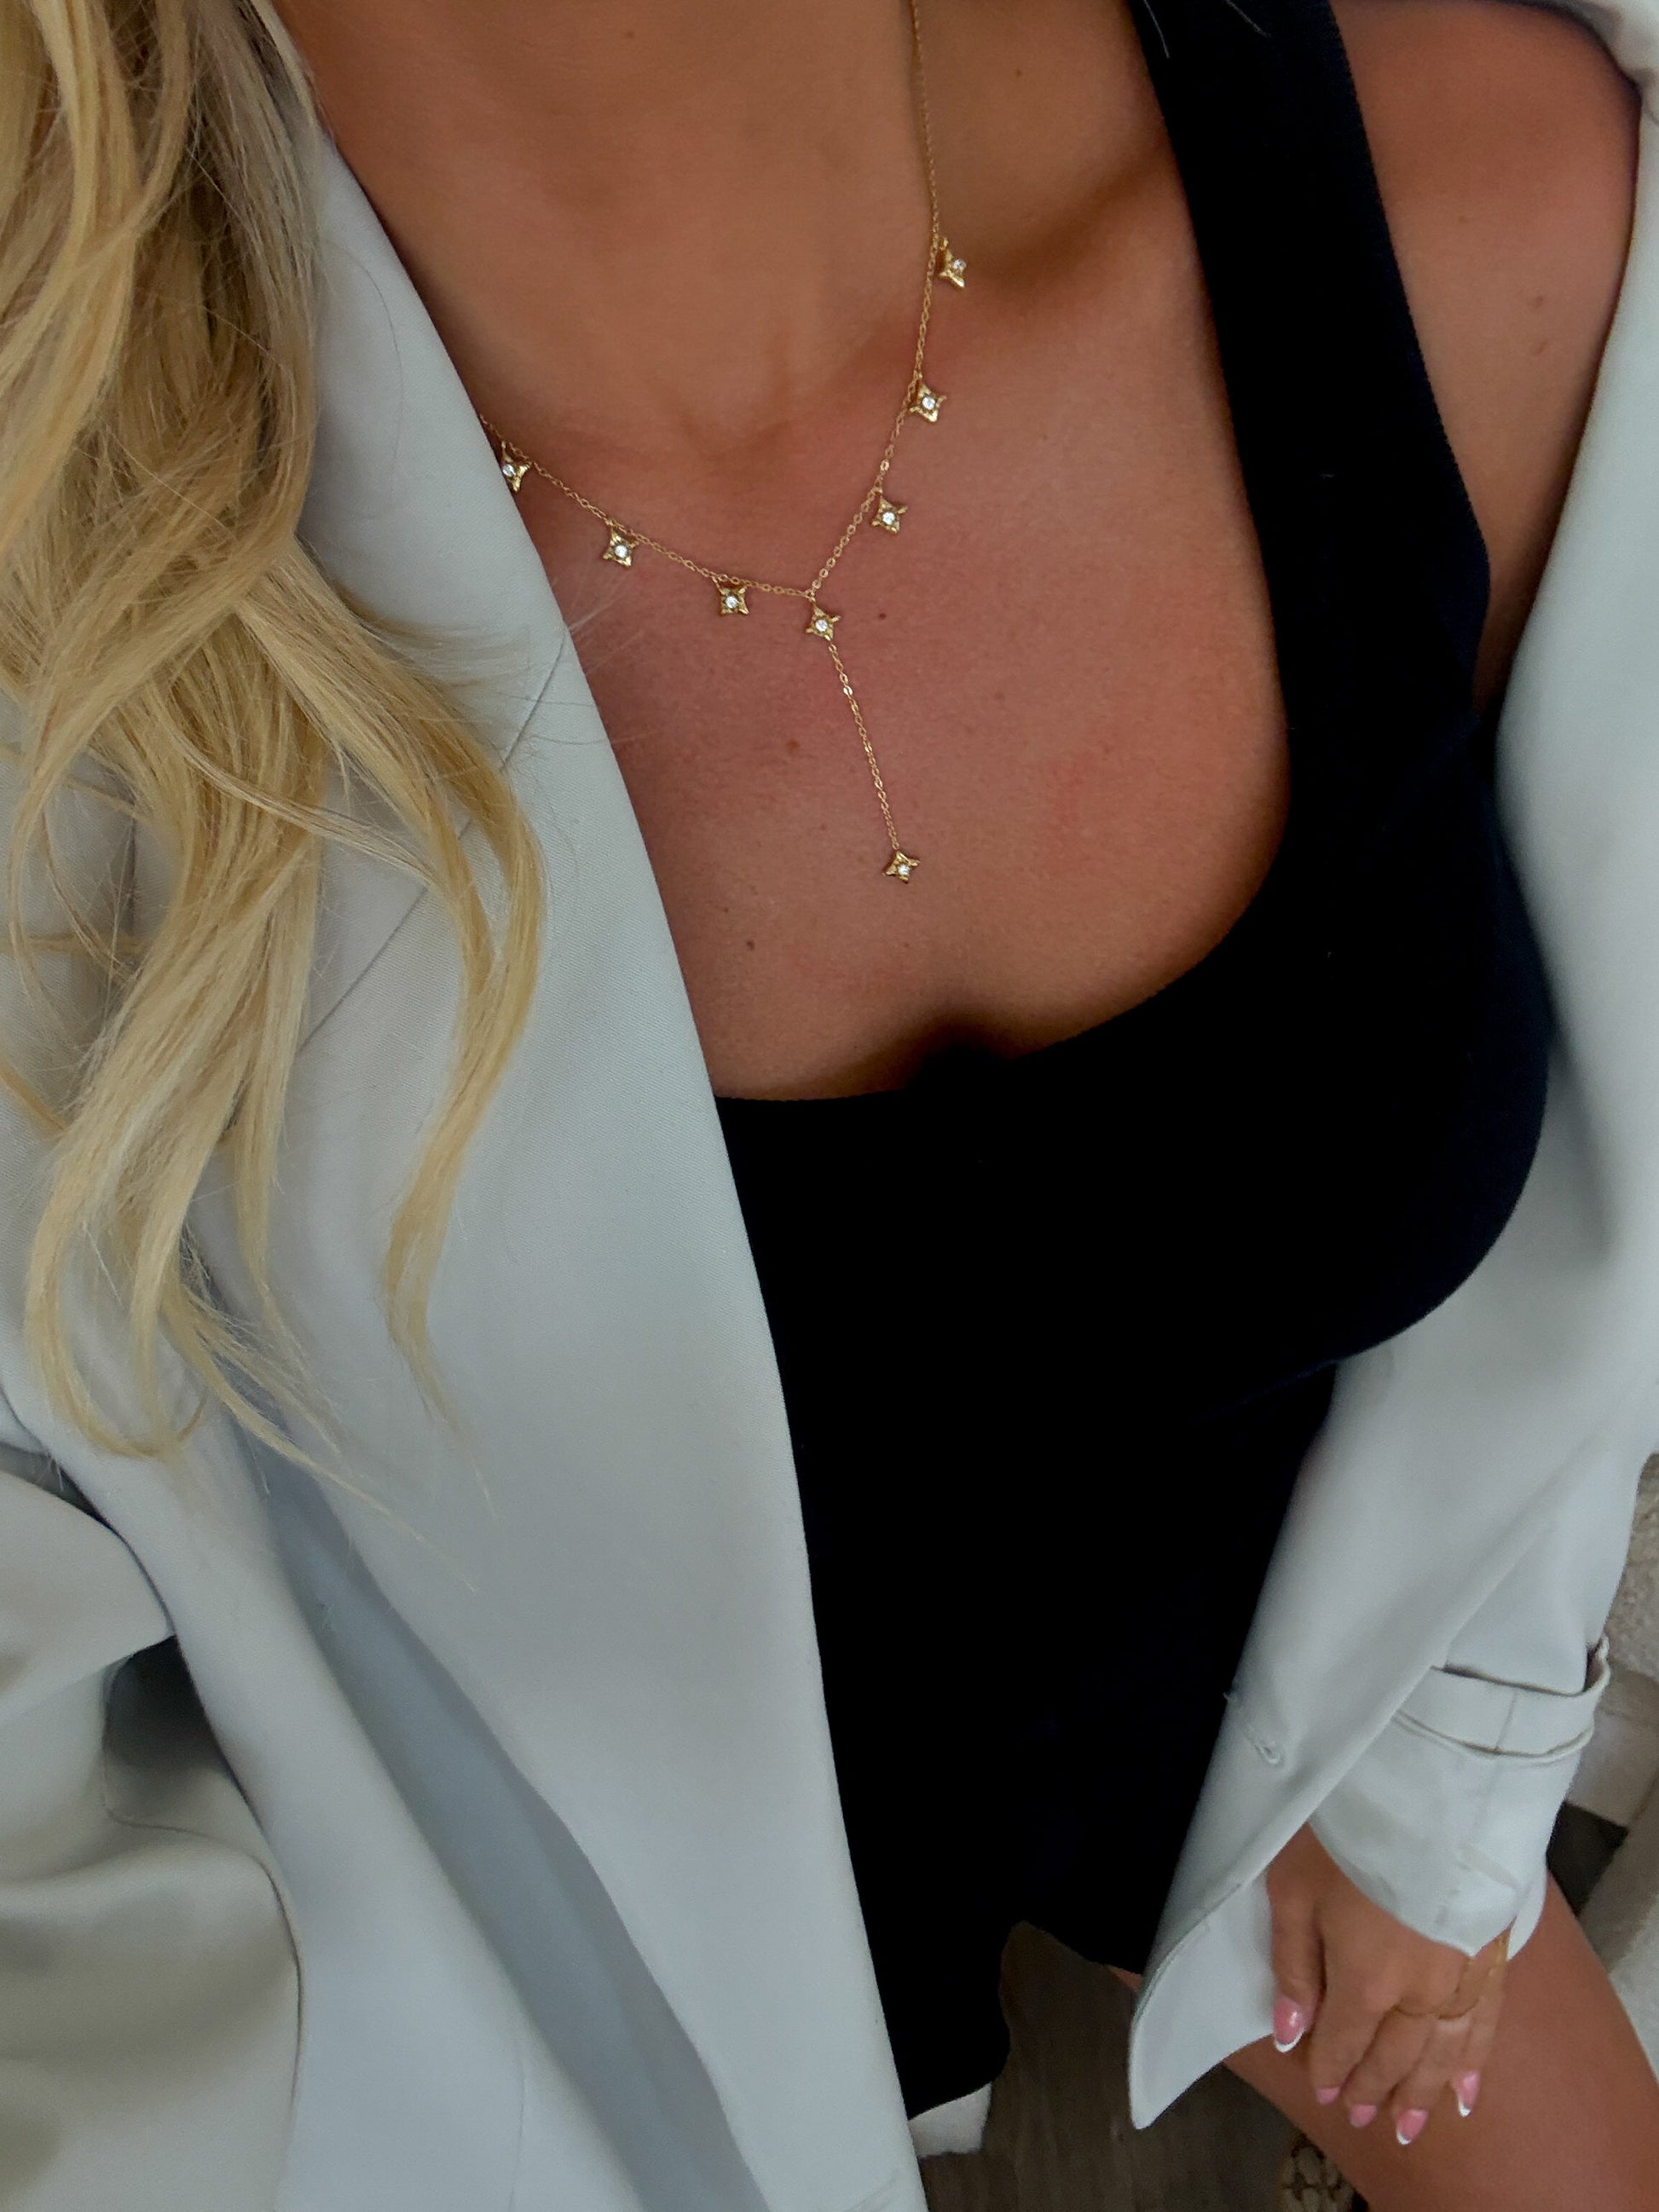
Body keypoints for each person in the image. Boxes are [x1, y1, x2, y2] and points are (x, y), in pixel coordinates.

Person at [0, 0, 1657, 2206]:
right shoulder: (58, 570)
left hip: (1250, 1736)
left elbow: (1586, 1197)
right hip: (491, 1974)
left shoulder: (1483, 207)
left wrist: (1445, 1766)